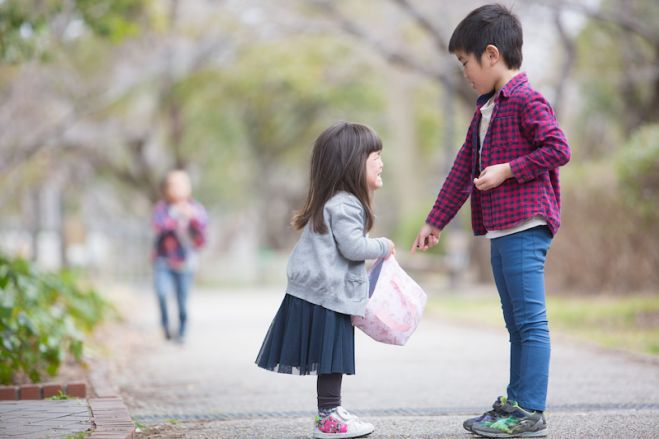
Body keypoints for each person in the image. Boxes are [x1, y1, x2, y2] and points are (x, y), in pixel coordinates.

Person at [411, 4, 570, 438]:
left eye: (466, 62)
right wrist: (435, 220)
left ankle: (529, 409)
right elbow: (464, 166)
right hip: (502, 230)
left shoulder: (526, 99)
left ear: (492, 54)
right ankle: (516, 402)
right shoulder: (486, 107)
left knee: (530, 322)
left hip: (525, 225)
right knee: (516, 322)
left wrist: (508, 170)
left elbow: (559, 149)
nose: (464, 72)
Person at [255, 122, 395, 439]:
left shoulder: (337, 201)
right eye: (375, 156)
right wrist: (384, 246)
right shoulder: (346, 203)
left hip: (322, 292)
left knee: (334, 358)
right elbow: (354, 247)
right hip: (324, 296)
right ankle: (328, 417)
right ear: (352, 164)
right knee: (333, 358)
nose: (381, 162)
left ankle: (332, 410)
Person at [152, 169, 208, 343]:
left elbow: (203, 231)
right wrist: (175, 216)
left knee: (182, 298)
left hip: (186, 260)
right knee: (161, 293)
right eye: (172, 185)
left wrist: (192, 218)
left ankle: (182, 330)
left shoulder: (196, 209)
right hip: (163, 258)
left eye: (181, 184)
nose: (177, 188)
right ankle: (165, 325)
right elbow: (158, 225)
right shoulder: (162, 209)